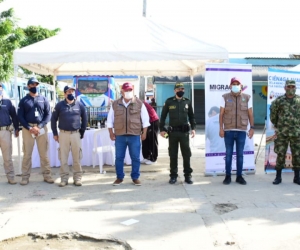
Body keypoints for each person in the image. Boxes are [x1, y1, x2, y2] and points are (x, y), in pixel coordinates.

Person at [107, 82, 150, 186]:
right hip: (120, 136)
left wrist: (144, 133)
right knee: (119, 158)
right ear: (122, 92)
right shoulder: (115, 104)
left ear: (132, 91)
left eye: (130, 90)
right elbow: (109, 120)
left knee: (135, 157)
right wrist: (111, 133)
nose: (128, 92)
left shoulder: (139, 103)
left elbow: (145, 120)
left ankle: (135, 177)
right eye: (126, 90)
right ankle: (119, 177)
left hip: (134, 135)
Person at [17, 77, 53, 185]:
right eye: (32, 85)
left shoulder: (44, 99)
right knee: (27, 154)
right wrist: (29, 127)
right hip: (28, 129)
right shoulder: (24, 100)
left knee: (44, 154)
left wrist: (40, 126)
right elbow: (20, 116)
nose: (34, 87)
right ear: (28, 86)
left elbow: (48, 114)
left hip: (41, 129)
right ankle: (25, 177)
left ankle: (47, 175)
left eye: (36, 85)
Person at [219, 77, 254, 185]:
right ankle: (228, 176)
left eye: (237, 84)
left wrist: (252, 128)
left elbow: (250, 114)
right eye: (233, 84)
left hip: (241, 131)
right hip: (228, 130)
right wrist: (221, 128)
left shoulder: (247, 97)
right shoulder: (224, 97)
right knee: (228, 154)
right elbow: (221, 114)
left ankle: (239, 176)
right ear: (230, 86)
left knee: (240, 155)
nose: (235, 85)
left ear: (241, 86)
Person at [160, 82, 196, 185]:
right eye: (179, 89)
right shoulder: (169, 102)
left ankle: (188, 176)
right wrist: (162, 129)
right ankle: (173, 176)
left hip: (184, 133)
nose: (181, 91)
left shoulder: (187, 102)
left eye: (182, 89)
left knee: (186, 154)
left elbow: (192, 116)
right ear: (175, 90)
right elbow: (162, 117)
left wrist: (193, 128)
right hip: (172, 133)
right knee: (173, 155)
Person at [51, 86, 87, 187]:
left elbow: (85, 118)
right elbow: (53, 119)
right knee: (63, 158)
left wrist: (82, 132)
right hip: (63, 134)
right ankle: (64, 179)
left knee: (77, 157)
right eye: (68, 91)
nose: (70, 93)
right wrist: (55, 133)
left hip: (75, 134)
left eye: (72, 91)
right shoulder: (59, 105)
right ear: (65, 93)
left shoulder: (79, 105)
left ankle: (77, 178)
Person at [270, 80, 300, 185]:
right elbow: (273, 115)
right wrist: (279, 125)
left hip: (296, 133)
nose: (290, 89)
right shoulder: (279, 101)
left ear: (295, 88)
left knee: (297, 154)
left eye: (292, 87)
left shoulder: (299, 100)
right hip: (282, 132)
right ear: (285, 88)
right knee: (280, 154)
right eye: (289, 87)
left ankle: (297, 177)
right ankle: (278, 177)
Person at [0, 83, 19, 184]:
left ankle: (11, 176)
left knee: (7, 156)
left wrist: (17, 128)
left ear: (2, 89)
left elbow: (14, 115)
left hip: (5, 131)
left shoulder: (7, 102)